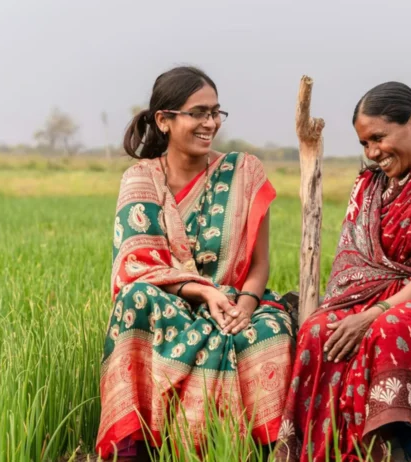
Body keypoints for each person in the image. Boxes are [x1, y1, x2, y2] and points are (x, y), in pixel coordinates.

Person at [275, 82, 411, 462]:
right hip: (387, 299)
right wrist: (365, 309)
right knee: (318, 332)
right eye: (364, 144)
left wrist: (375, 311)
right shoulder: (370, 188)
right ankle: (341, 450)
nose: (373, 152)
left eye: (378, 138)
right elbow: (356, 263)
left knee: (391, 325)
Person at [95, 66, 295, 459]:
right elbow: (135, 265)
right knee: (133, 300)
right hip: (172, 300)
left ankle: (270, 450)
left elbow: (259, 264)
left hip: (237, 298)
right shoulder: (141, 179)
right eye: (198, 113)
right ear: (164, 121)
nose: (210, 123)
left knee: (270, 331)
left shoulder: (244, 172)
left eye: (216, 112)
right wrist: (202, 291)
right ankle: (134, 448)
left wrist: (245, 306)